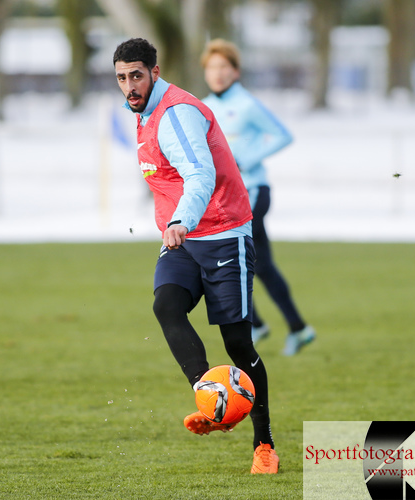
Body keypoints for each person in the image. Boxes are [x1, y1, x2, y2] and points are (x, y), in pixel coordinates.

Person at [113, 38, 279, 474]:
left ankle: (264, 445)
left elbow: (200, 173)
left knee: (238, 343)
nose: (129, 85)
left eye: (136, 76)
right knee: (166, 305)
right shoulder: (145, 114)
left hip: (223, 234)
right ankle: (211, 399)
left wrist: (181, 220)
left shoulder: (176, 113)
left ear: (154, 70)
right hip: (184, 240)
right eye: (121, 78)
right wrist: (178, 226)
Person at [201, 39, 316, 356]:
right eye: (212, 68)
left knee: (231, 256)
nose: (218, 73)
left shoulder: (248, 104)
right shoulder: (203, 106)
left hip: (252, 191)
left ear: (235, 71)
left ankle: (259, 324)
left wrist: (246, 159)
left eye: (224, 67)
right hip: (224, 197)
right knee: (259, 264)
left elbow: (283, 135)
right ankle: (294, 327)